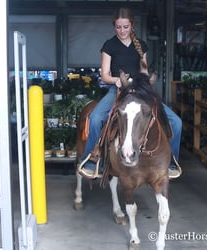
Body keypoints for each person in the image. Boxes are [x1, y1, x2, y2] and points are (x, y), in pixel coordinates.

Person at [78, 7, 182, 179]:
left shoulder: (141, 45)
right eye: (118, 27)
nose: (122, 30)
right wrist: (116, 80)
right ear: (114, 27)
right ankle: (91, 159)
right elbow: (104, 75)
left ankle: (171, 161)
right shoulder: (109, 45)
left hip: (140, 90)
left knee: (176, 122)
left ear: (132, 25)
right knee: (95, 118)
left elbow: (144, 71)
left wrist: (146, 80)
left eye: (125, 26)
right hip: (118, 89)